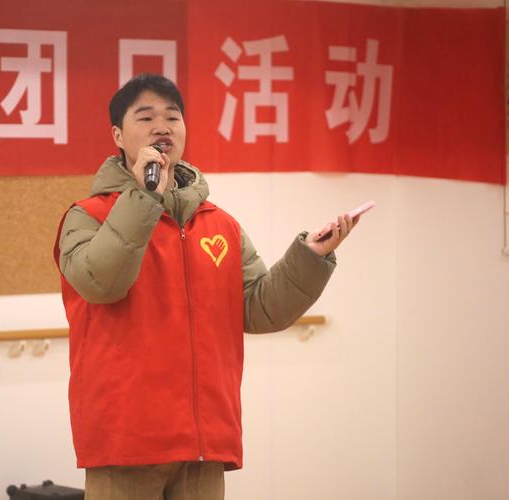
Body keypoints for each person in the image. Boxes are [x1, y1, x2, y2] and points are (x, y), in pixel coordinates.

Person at [54, 73, 357, 500]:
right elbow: (102, 283)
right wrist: (144, 196)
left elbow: (259, 308)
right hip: (125, 443)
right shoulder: (89, 216)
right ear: (118, 136)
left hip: (204, 444)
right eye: (146, 117)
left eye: (172, 117)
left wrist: (309, 257)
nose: (162, 127)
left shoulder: (220, 224)